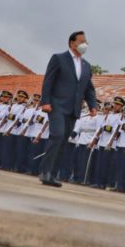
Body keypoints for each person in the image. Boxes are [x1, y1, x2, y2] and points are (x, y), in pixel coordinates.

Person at [38, 31, 97, 187]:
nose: (85, 44)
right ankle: (45, 171)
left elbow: (88, 88)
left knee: (64, 140)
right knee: (56, 135)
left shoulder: (86, 65)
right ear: (72, 43)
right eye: (82, 41)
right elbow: (48, 81)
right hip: (56, 105)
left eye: (86, 41)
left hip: (73, 109)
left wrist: (93, 106)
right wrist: (45, 101)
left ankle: (52, 174)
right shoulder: (59, 58)